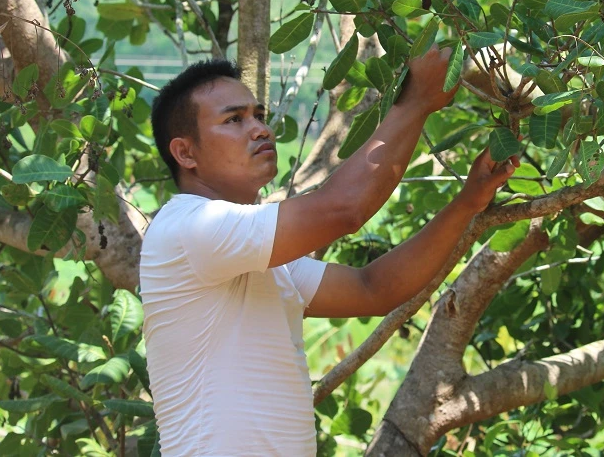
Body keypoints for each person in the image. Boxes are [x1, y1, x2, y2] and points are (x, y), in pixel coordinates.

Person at [139, 47, 518, 456]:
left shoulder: (254, 257)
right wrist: (417, 101)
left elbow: (373, 288)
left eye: (259, 116)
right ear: (186, 153)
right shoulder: (189, 227)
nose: (260, 129)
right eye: (234, 119)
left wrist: (466, 205)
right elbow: (344, 209)